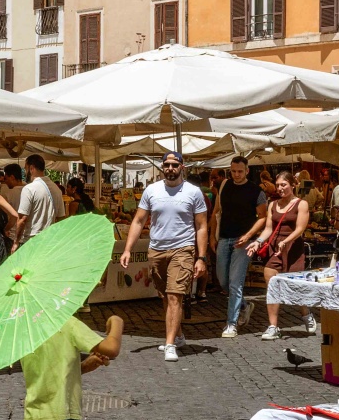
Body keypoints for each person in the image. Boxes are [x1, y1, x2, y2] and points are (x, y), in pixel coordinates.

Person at [119, 151, 209, 363]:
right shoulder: (152, 190)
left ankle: (169, 344)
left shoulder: (193, 192)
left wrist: (201, 257)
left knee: (175, 295)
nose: (170, 169)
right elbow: (139, 221)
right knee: (165, 296)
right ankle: (177, 336)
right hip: (157, 250)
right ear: (162, 168)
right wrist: (127, 249)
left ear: (182, 167)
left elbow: (202, 226)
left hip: (183, 249)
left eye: (174, 165)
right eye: (166, 165)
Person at [241, 170, 312, 340]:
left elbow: (300, 229)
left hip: (293, 248)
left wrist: (286, 241)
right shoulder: (273, 204)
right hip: (275, 249)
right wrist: (258, 241)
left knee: (296, 288)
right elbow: (268, 228)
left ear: (292, 185)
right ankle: (273, 326)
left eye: (283, 185)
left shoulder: (301, 204)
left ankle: (306, 313)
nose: (280, 188)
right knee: (272, 287)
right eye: (278, 185)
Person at [213, 159, 266, 338]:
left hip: (243, 242)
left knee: (235, 282)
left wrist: (249, 235)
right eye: (233, 171)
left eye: (240, 171)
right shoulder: (224, 186)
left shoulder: (256, 191)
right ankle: (244, 305)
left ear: (247, 171)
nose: (236, 174)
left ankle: (231, 323)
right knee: (223, 281)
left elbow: (262, 217)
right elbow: (216, 211)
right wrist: (214, 235)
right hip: (224, 237)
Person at [16, 155, 61, 247]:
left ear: (31, 168)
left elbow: (22, 219)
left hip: (32, 241)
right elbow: (61, 218)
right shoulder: (56, 189)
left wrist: (16, 242)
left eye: (25, 168)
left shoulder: (29, 189)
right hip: (50, 240)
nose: (25, 172)